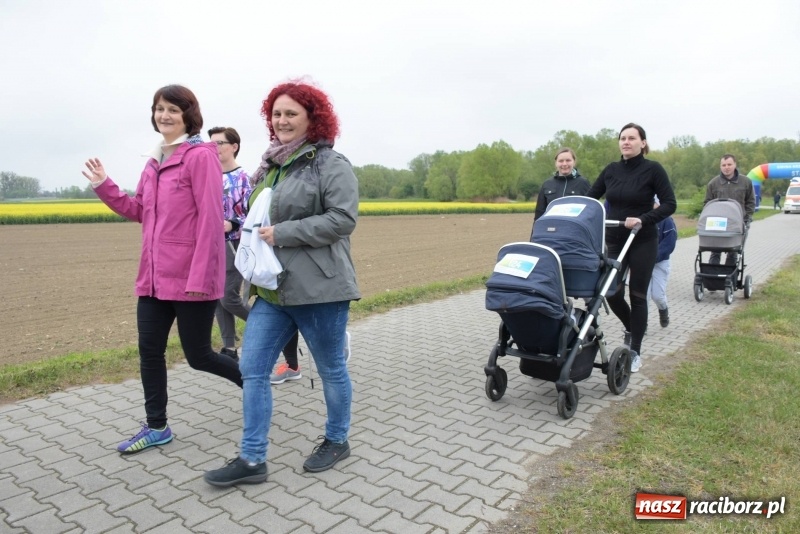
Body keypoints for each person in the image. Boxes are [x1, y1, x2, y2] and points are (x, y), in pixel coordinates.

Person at [204, 80, 360, 487]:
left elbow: (343, 219)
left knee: (330, 369)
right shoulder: (271, 165)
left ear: (312, 116)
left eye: (291, 113)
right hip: (273, 290)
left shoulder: (330, 163)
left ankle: (337, 439)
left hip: (321, 289)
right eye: (276, 113)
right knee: (253, 369)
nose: (282, 120)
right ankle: (252, 459)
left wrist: (285, 231)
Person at [82, 85, 243, 454]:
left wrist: (202, 278)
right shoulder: (153, 161)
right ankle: (157, 427)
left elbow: (209, 219)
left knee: (199, 356)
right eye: (158, 109)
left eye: (172, 109)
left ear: (188, 114)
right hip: (153, 280)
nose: (164, 115)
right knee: (149, 352)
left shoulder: (199, 156)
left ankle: (254, 386)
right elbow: (139, 210)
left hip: (190, 280)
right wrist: (102, 185)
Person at [587, 123, 676, 374]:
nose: (626, 142)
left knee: (637, 295)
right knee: (611, 292)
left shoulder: (653, 169)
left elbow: (669, 204)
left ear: (643, 143)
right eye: (622, 138)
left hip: (642, 239)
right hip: (615, 239)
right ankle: (633, 326)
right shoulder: (611, 170)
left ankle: (635, 349)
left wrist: (643, 219)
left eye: (632, 138)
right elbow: (591, 197)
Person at [207, 126, 252, 361]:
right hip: (209, 246)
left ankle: (271, 327)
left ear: (234, 147)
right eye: (210, 143)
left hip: (234, 244)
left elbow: (253, 214)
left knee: (228, 297)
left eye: (219, 143)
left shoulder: (245, 179)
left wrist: (233, 224)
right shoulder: (208, 177)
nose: (214, 148)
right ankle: (229, 348)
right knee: (216, 297)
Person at [704, 154, 755, 266]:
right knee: (715, 251)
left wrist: (747, 218)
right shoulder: (713, 183)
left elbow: (751, 202)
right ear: (720, 167)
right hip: (718, 224)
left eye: (729, 164)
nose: (726, 167)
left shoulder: (746, 182)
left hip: (738, 223)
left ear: (735, 165)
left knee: (733, 252)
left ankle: (729, 277)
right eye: (724, 165)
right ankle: (713, 278)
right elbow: (707, 203)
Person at [532, 147, 591, 232]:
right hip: (551, 232)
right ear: (556, 163)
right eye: (561, 161)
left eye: (568, 160)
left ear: (574, 162)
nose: (564, 164)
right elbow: (539, 215)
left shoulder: (583, 183)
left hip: (574, 233)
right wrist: (534, 238)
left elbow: (590, 213)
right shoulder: (547, 184)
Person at [647, 196, 677, 328]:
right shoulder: (642, 219)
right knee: (643, 297)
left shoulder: (667, 221)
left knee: (657, 295)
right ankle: (642, 325)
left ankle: (663, 310)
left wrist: (653, 256)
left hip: (660, 263)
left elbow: (669, 244)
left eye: (653, 203)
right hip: (642, 264)